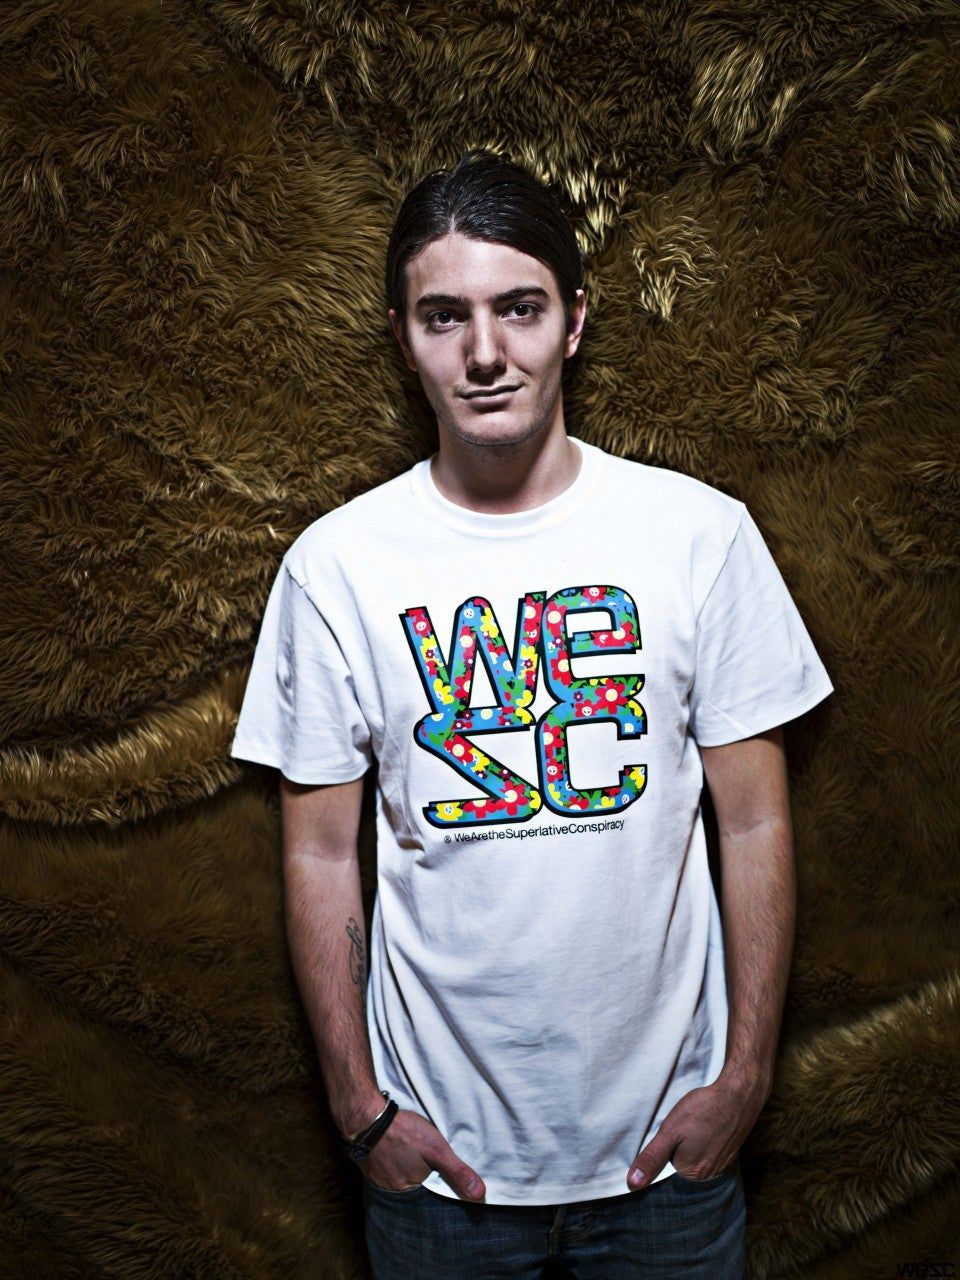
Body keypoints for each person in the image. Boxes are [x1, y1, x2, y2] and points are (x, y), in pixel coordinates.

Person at [230, 149, 835, 1279]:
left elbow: (754, 822)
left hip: (668, 1168)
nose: (484, 353)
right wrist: (359, 1106)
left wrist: (746, 1076)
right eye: (444, 316)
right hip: (439, 1174)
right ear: (403, 336)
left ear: (574, 321)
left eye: (519, 307)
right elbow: (318, 852)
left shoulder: (698, 536)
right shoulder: (337, 566)